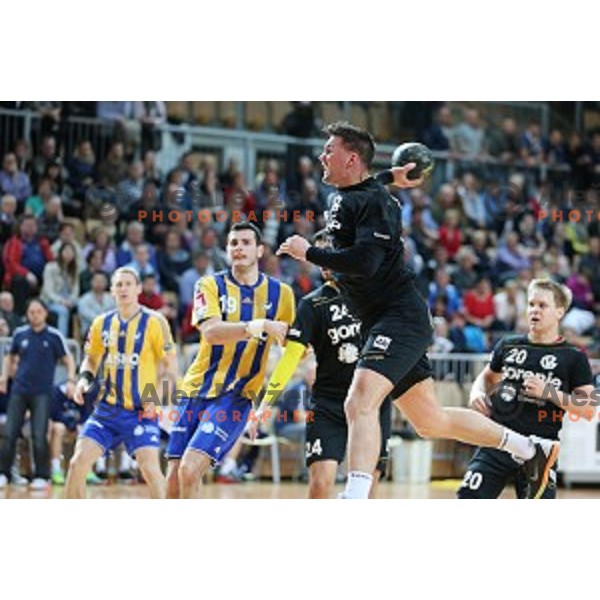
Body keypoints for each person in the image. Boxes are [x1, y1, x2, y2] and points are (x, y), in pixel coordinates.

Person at [277, 121, 560, 500]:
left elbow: (365, 262)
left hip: (399, 316)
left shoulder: (373, 202)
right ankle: (528, 448)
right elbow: (367, 186)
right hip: (383, 319)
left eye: (329, 150)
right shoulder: (352, 195)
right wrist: (389, 174)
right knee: (431, 421)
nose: (321, 156)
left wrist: (307, 252)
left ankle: (355, 496)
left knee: (359, 400)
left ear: (351, 157)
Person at [250, 230, 391, 498]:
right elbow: (290, 358)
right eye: (319, 254)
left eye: (331, 252)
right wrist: (265, 405)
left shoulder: (374, 295)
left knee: (367, 489)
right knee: (320, 482)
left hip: (371, 403)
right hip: (329, 404)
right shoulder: (312, 304)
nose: (325, 261)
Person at [165, 222, 295, 499]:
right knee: (174, 478)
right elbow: (210, 332)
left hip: (236, 394)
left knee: (189, 470)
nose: (239, 248)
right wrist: (257, 326)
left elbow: (291, 349)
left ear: (260, 250)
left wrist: (267, 401)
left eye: (246, 242)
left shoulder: (281, 294)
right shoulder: (209, 284)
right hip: (195, 388)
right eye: (234, 243)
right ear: (226, 250)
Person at [458, 279, 595, 499]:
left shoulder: (574, 357)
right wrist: (477, 393)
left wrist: (549, 392)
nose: (534, 310)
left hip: (540, 451)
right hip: (497, 440)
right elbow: (486, 377)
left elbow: (588, 408)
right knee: (467, 499)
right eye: (531, 304)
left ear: (559, 312)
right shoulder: (508, 344)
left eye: (542, 305)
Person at [64, 267, 179, 499]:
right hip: (107, 409)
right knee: (77, 464)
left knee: (150, 468)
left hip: (140, 411)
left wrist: (154, 398)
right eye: (119, 284)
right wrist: (84, 380)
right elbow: (92, 358)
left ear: (138, 289)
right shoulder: (101, 323)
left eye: (128, 284)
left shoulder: (155, 322)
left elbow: (171, 367)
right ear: (112, 291)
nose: (123, 288)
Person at [0, 299, 76, 490]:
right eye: (31, 312)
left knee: (39, 434)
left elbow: (68, 360)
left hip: (42, 393)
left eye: (38, 311)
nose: (35, 315)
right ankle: (3, 473)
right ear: (27, 314)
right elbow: (9, 357)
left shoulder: (54, 336)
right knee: (9, 433)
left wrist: (71, 380)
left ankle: (42, 475)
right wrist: (3, 377)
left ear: (45, 313)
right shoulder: (20, 334)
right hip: (19, 390)